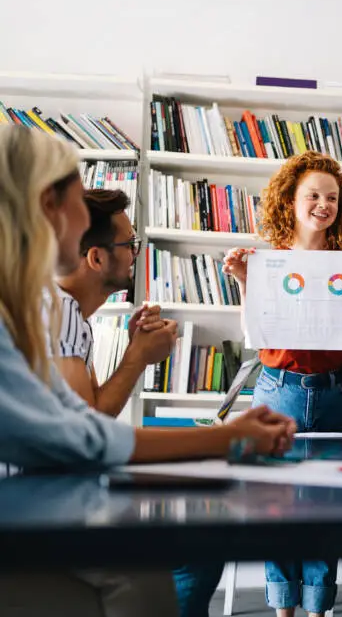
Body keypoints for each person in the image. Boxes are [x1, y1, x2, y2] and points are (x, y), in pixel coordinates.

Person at [0, 124, 296, 617]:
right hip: (25, 510)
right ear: (49, 204)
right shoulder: (28, 312)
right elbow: (79, 437)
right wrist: (226, 439)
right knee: (143, 572)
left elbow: (75, 427)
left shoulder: (24, 311)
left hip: (30, 504)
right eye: (78, 193)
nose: (136, 252)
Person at [222, 151, 342, 617]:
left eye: (332, 197)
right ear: (291, 201)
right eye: (313, 195)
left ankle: (317, 610)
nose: (322, 204)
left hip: (338, 392)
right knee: (278, 507)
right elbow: (257, 332)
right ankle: (283, 609)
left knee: (330, 507)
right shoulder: (265, 260)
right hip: (279, 388)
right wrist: (243, 281)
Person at [55, 188, 177, 416]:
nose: (135, 254)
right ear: (97, 258)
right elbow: (85, 427)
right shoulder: (61, 312)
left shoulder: (73, 316)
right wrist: (139, 354)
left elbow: (94, 410)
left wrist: (137, 347)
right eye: (129, 244)